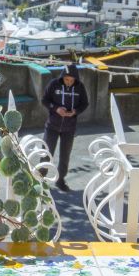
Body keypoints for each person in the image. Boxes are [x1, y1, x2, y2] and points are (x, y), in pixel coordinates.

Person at [41, 63, 89, 191]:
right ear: (62, 78)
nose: (68, 82)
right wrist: (56, 109)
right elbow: (45, 100)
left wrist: (75, 111)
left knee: (65, 155)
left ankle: (60, 179)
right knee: (46, 153)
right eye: (66, 79)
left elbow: (84, 104)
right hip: (52, 125)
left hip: (69, 127)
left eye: (71, 80)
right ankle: (41, 179)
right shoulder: (53, 84)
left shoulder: (80, 88)